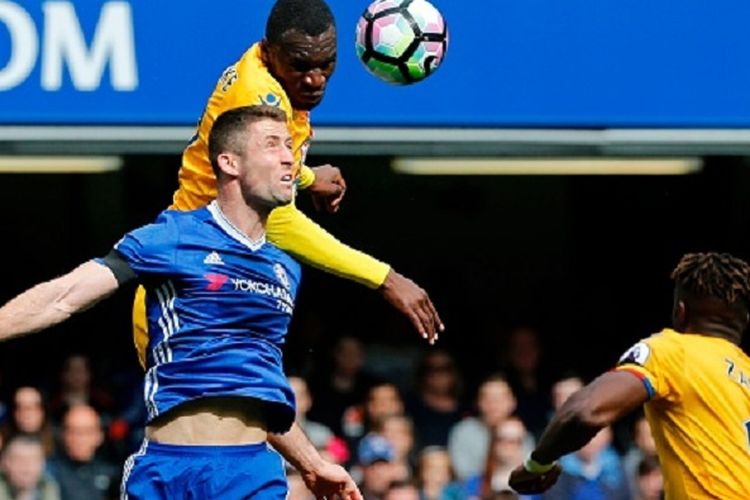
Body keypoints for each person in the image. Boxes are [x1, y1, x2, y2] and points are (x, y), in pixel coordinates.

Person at [0, 106, 362, 499]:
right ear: (229, 162)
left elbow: (261, 393)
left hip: (250, 476)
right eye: (272, 144)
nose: (289, 157)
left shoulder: (285, 268)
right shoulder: (172, 237)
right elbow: (63, 297)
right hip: (169, 469)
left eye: (290, 146)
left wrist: (313, 463)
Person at [131, 0, 443, 369]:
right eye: (300, 65)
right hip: (185, 290)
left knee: (263, 417)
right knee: (224, 423)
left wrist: (306, 177)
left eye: (326, 63)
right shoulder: (257, 98)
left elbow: (257, 176)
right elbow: (276, 220)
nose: (315, 79)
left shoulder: (272, 75)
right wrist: (384, 278)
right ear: (269, 50)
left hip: (221, 283)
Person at [509, 252, 750, 498]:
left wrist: (536, 465)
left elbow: (585, 411)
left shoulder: (674, 351)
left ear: (681, 312)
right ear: (744, 320)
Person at [47, 405, 119, 500]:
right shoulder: (49, 472)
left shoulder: (113, 475)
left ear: (99, 436)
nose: (80, 439)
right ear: (63, 435)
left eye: (87, 432)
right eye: (73, 431)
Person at [0, 434, 60, 500]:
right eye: (19, 460)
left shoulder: (50, 487)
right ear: (4, 463)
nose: (27, 467)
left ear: (43, 464)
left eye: (34, 459)